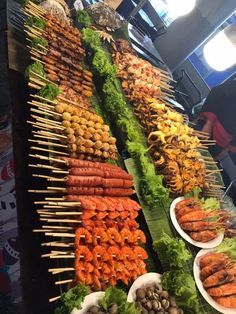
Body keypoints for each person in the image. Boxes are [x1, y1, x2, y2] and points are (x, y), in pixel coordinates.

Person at [200, 79, 236, 162]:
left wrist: (225, 150)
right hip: (207, 128)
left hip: (219, 145)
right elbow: (217, 92)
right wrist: (208, 123)